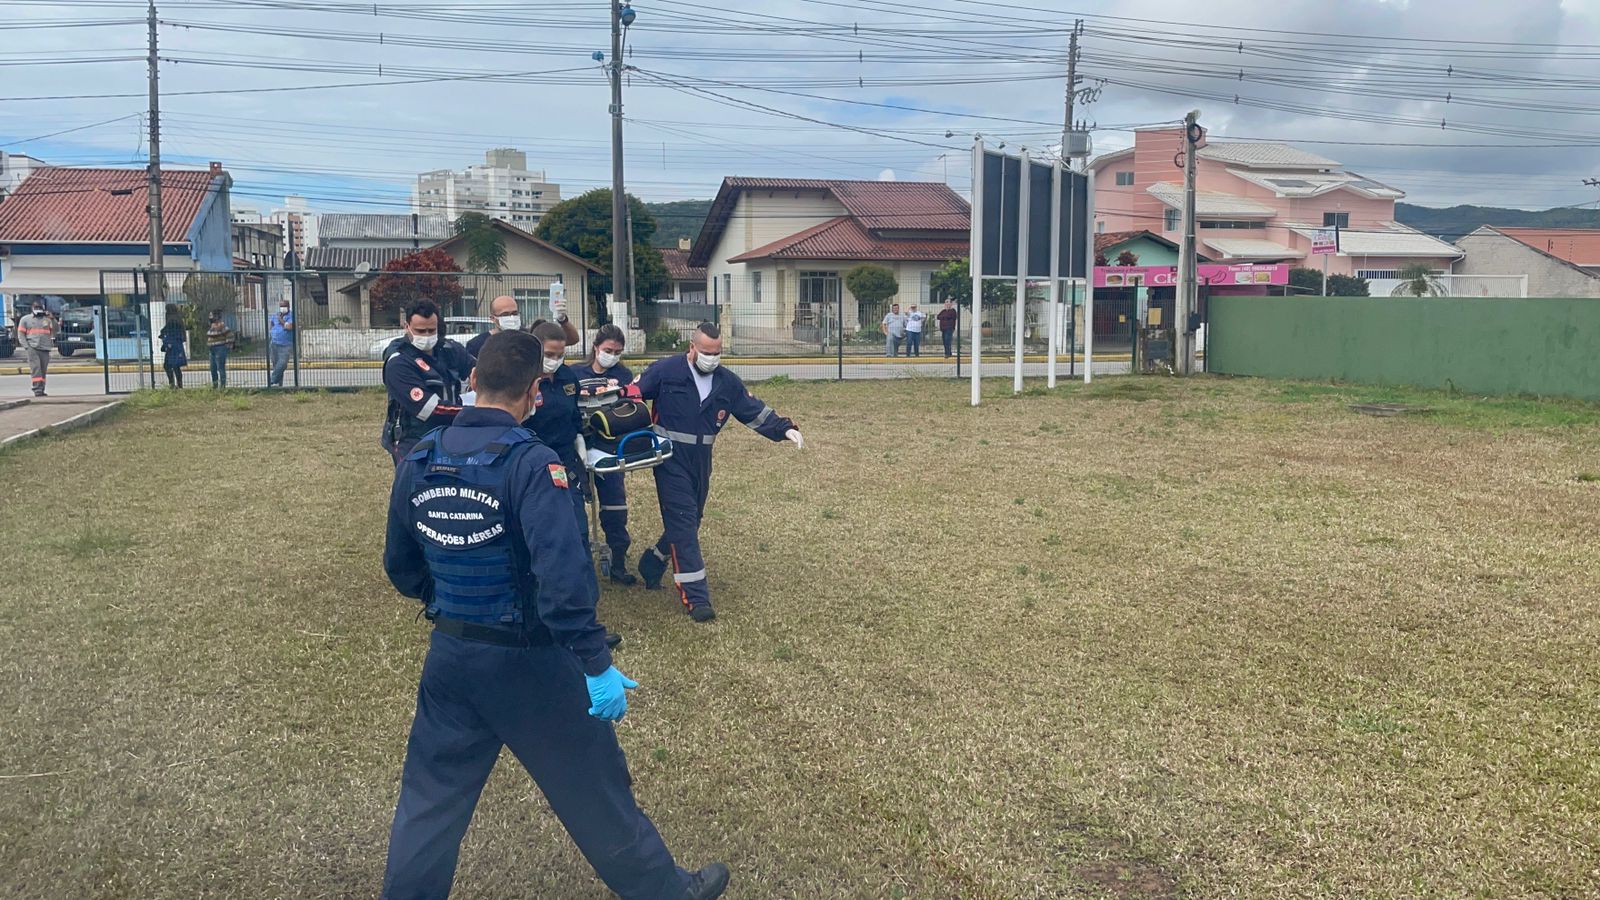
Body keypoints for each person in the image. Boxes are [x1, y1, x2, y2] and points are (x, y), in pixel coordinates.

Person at [381, 330, 729, 900]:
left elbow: (401, 567)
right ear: (534, 393)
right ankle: (667, 892)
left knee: (428, 803)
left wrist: (451, 600)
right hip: (529, 662)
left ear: (472, 381)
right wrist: (595, 662)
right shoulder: (533, 464)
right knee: (593, 786)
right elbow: (564, 582)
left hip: (450, 656)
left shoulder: (419, 458)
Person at [629, 323, 803, 622]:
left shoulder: (726, 382)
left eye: (718, 353)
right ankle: (696, 598)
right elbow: (631, 397)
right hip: (669, 457)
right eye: (707, 352)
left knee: (690, 519)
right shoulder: (665, 371)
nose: (712, 358)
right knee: (683, 522)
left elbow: (754, 411)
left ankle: (653, 562)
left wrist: (785, 428)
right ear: (692, 348)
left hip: (701, 459)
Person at [381, 300, 472, 465]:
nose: (427, 336)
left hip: (451, 432)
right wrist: (473, 414)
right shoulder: (398, 363)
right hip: (413, 439)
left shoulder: (449, 349)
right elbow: (429, 409)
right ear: (406, 326)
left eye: (432, 330)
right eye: (420, 331)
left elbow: (479, 372)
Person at [583, 324, 636, 585]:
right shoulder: (575, 374)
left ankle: (618, 561)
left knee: (615, 505)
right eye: (607, 350)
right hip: (577, 445)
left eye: (617, 351)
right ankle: (577, 563)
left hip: (610, 447)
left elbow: (632, 409)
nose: (612, 355)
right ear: (595, 348)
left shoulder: (623, 375)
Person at [466, 293, 579, 362]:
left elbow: (572, 339)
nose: (511, 317)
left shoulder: (531, 336)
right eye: (505, 314)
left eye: (514, 313)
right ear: (492, 318)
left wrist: (563, 319)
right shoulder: (477, 344)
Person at [17, 301, 56, 397]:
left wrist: (53, 319)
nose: (38, 309)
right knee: (36, 369)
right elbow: (21, 334)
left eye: (40, 307)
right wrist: (26, 346)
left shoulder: (47, 319)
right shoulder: (25, 319)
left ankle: (42, 389)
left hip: (45, 348)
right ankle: (37, 390)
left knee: (43, 370)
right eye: (36, 307)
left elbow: (56, 329)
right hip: (32, 347)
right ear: (32, 308)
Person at [158, 305, 187, 389]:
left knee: (168, 366)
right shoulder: (177, 318)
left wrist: (166, 340)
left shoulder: (172, 320)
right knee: (176, 366)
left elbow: (168, 332)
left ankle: (172, 384)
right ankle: (179, 385)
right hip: (177, 346)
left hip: (172, 347)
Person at [267, 299, 295, 387]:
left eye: (284, 306)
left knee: (282, 364)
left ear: (288, 307)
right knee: (276, 365)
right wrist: (272, 332)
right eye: (281, 306)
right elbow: (271, 324)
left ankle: (272, 380)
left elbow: (289, 327)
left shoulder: (291, 315)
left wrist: (281, 320)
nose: (282, 308)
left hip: (285, 345)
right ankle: (279, 385)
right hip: (274, 343)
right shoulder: (275, 315)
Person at [206, 310, 233, 389]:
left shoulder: (222, 326)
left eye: (211, 316)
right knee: (213, 368)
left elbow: (230, 336)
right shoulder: (211, 327)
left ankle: (222, 387)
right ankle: (215, 385)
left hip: (220, 349)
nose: (210, 317)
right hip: (212, 350)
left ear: (216, 316)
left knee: (220, 368)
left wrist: (227, 346)